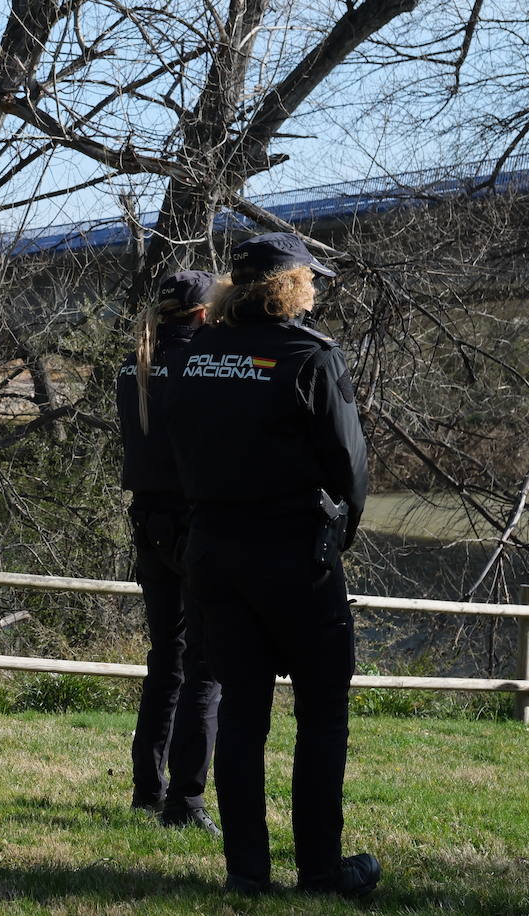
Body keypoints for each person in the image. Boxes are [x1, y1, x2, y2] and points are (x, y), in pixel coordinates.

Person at [165, 232, 377, 897]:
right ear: (291, 286)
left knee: (241, 717)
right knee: (321, 715)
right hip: (293, 555)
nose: (315, 288)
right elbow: (352, 468)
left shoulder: (195, 355)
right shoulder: (312, 357)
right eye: (310, 279)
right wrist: (337, 533)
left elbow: (178, 450)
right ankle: (319, 872)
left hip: (213, 553)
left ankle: (246, 875)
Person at [115, 270, 222, 834]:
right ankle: (186, 801)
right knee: (205, 664)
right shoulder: (208, 371)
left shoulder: (133, 373)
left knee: (167, 660)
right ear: (205, 315)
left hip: (149, 527)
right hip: (197, 525)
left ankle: (146, 788)